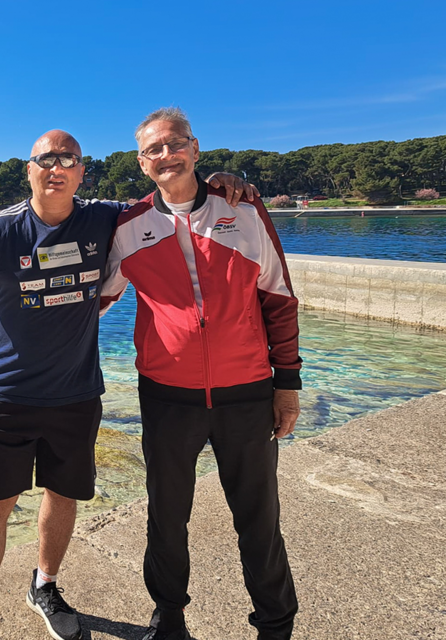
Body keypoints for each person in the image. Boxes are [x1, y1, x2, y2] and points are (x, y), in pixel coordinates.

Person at [0, 129, 252, 640]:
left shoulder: (104, 217)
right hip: (5, 397)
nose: (57, 167)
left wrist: (222, 182)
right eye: (46, 159)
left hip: (76, 396)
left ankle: (44, 586)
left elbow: (167, 196)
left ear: (81, 171)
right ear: (30, 169)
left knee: (62, 495)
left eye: (68, 159)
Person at [100, 107, 302, 640]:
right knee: (167, 519)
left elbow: (280, 299)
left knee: (258, 520)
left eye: (174, 145)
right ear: (142, 163)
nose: (165, 156)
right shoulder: (128, 226)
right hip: (167, 396)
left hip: (247, 392)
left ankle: (276, 625)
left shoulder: (245, 208)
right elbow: (93, 299)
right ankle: (169, 619)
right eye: (153, 150)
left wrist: (288, 384)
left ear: (194, 148)